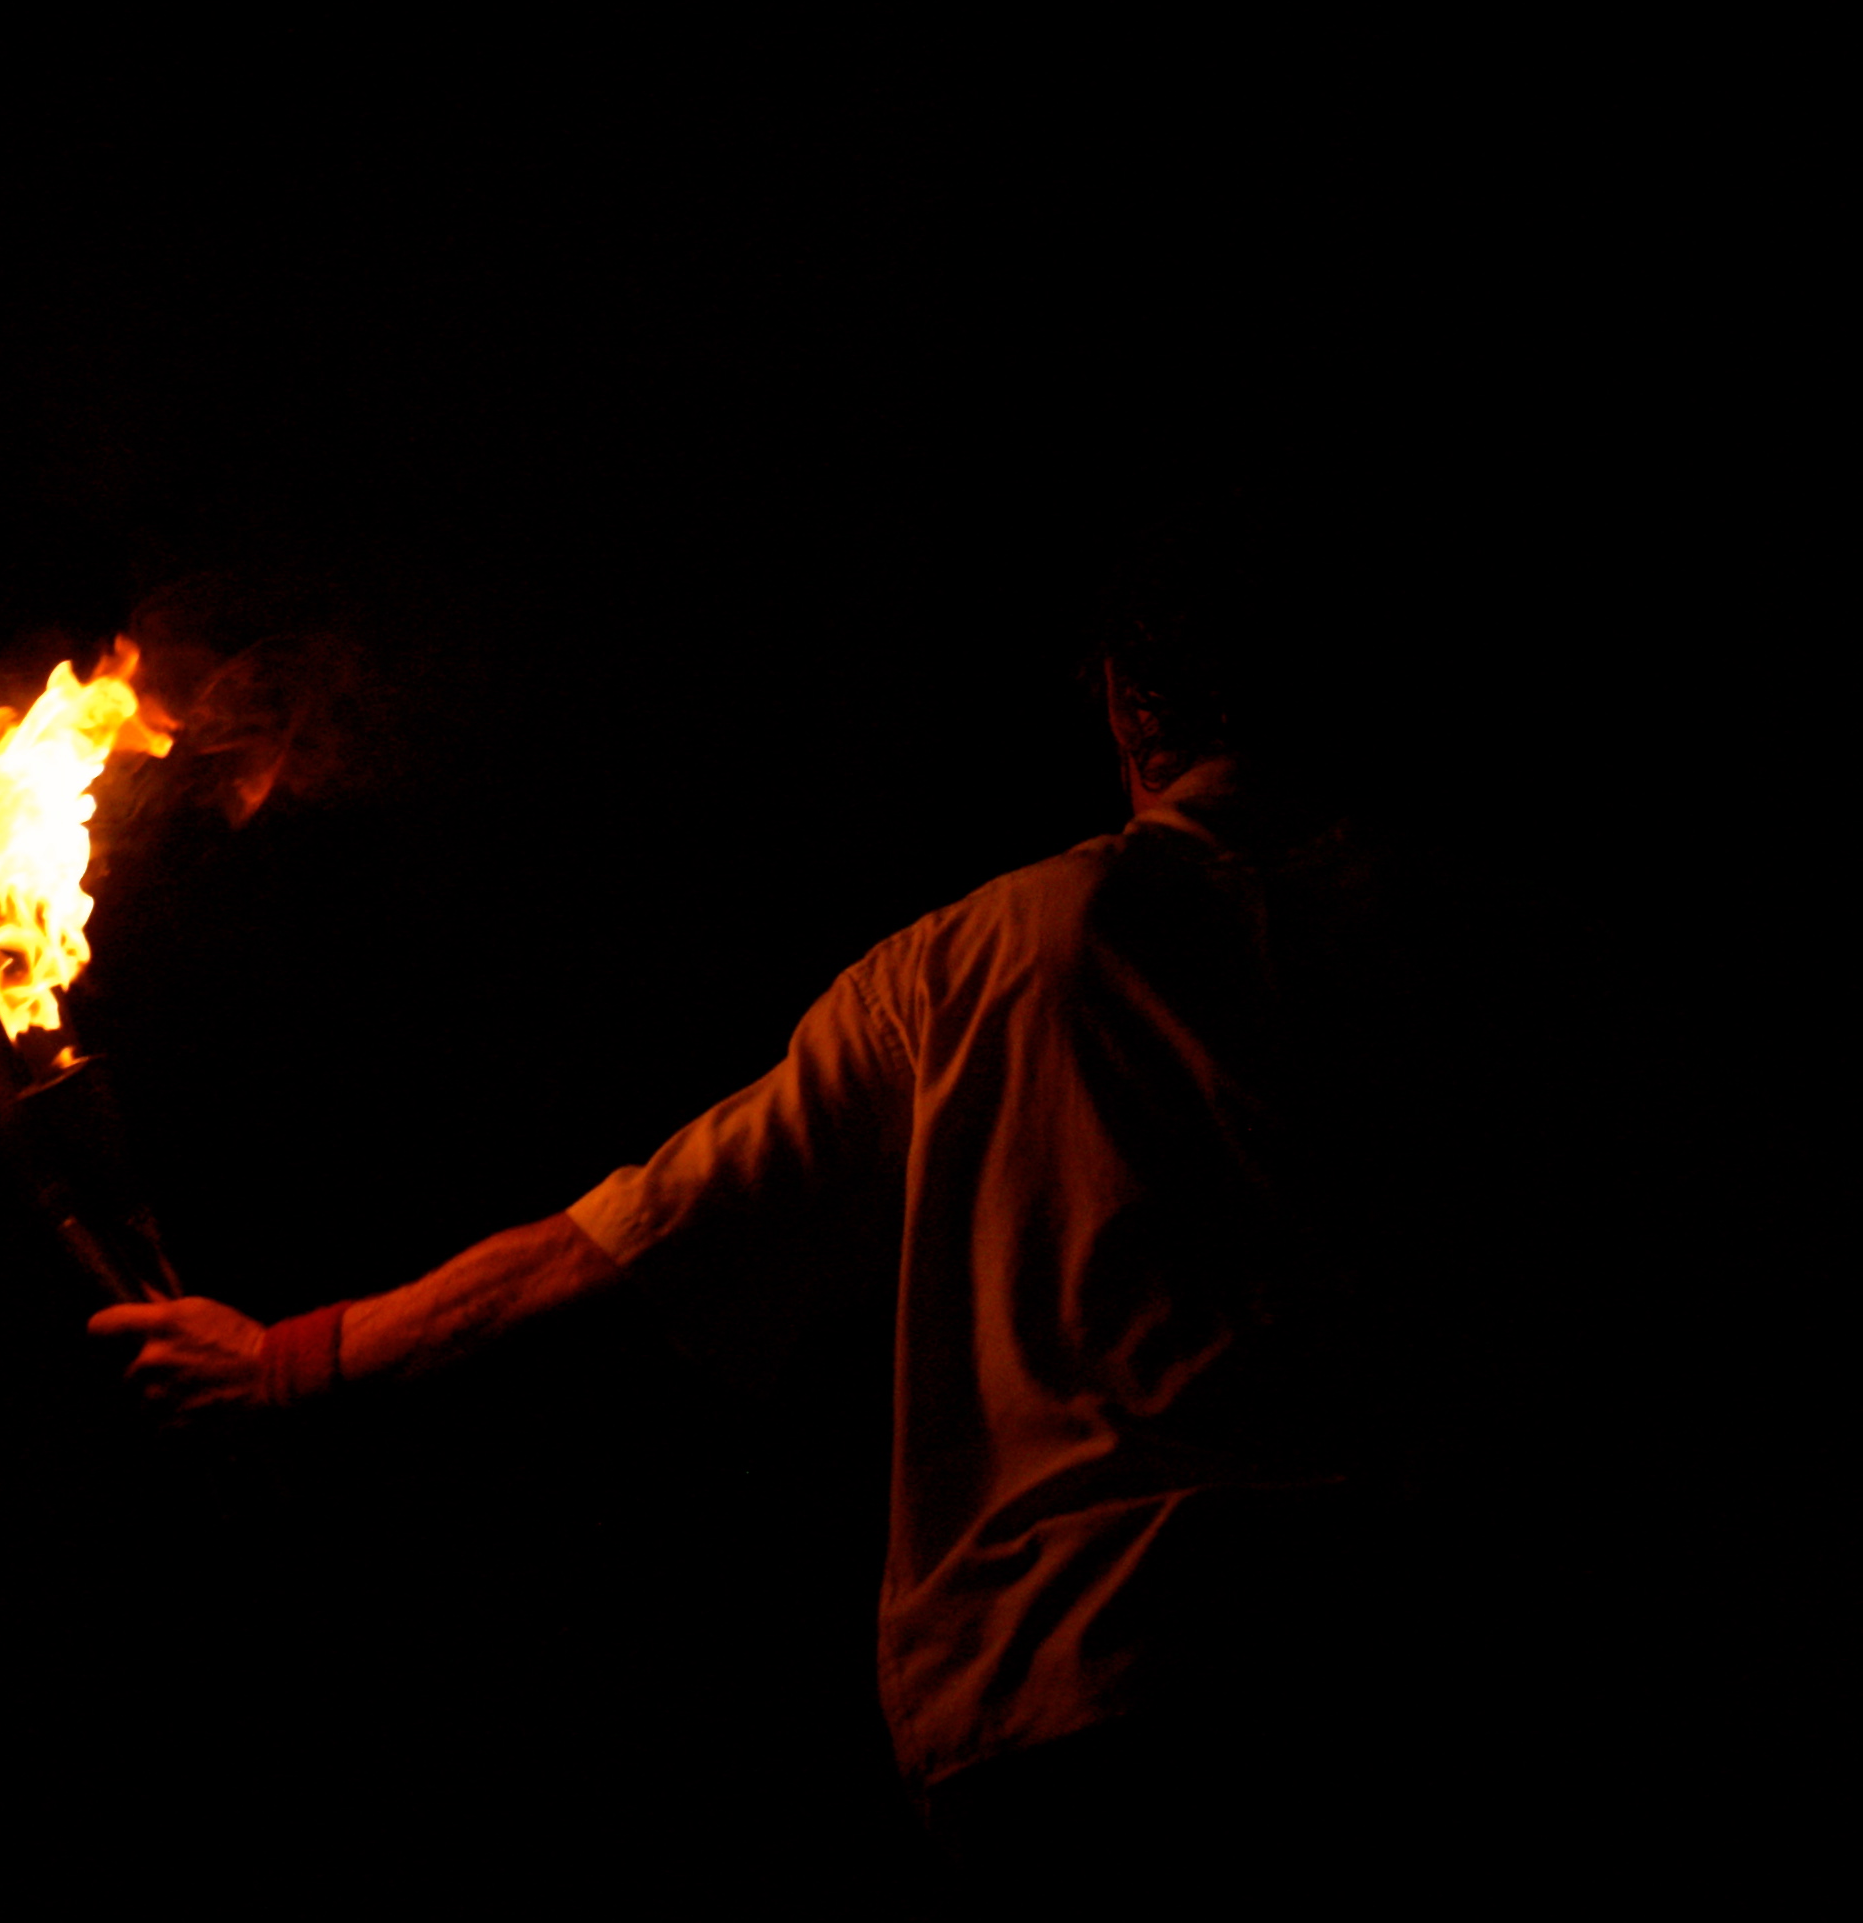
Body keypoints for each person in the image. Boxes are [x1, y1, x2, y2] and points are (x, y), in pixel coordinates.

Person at [92, 523, 1513, 1888]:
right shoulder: (1483, 952)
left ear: (1128, 706)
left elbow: (626, 1246)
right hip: (1399, 1674)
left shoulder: (979, 959)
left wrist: (284, 1361)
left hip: (1091, 1698)